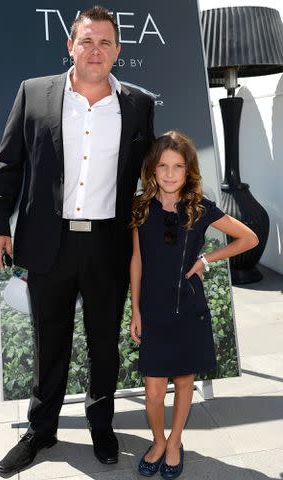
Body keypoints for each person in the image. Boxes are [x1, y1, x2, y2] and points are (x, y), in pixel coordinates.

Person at [0, 5, 154, 475]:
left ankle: (102, 426)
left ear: (118, 51)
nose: (95, 50)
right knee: (49, 341)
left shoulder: (138, 105)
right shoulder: (35, 93)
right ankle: (42, 430)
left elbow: (149, 179)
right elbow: (8, 164)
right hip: (47, 242)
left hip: (108, 246)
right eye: (86, 40)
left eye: (105, 42)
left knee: (104, 344)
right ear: (70, 46)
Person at [129, 131, 258, 479]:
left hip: (188, 307)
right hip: (153, 310)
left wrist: (207, 260)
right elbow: (137, 261)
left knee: (185, 383)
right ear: (153, 170)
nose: (170, 174)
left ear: (188, 172)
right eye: (163, 166)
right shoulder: (141, 207)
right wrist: (136, 310)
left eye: (178, 167)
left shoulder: (200, 209)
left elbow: (249, 237)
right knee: (153, 392)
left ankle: (174, 443)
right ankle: (157, 441)